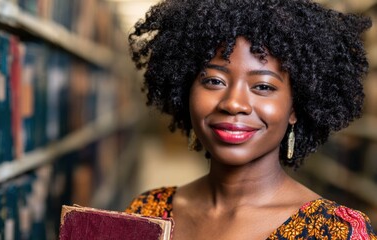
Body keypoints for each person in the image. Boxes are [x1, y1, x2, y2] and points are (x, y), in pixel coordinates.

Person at [125, 0, 377, 239]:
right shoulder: (146, 213)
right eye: (214, 81)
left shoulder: (336, 232)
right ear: (185, 90)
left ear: (294, 108)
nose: (234, 103)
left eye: (264, 87)